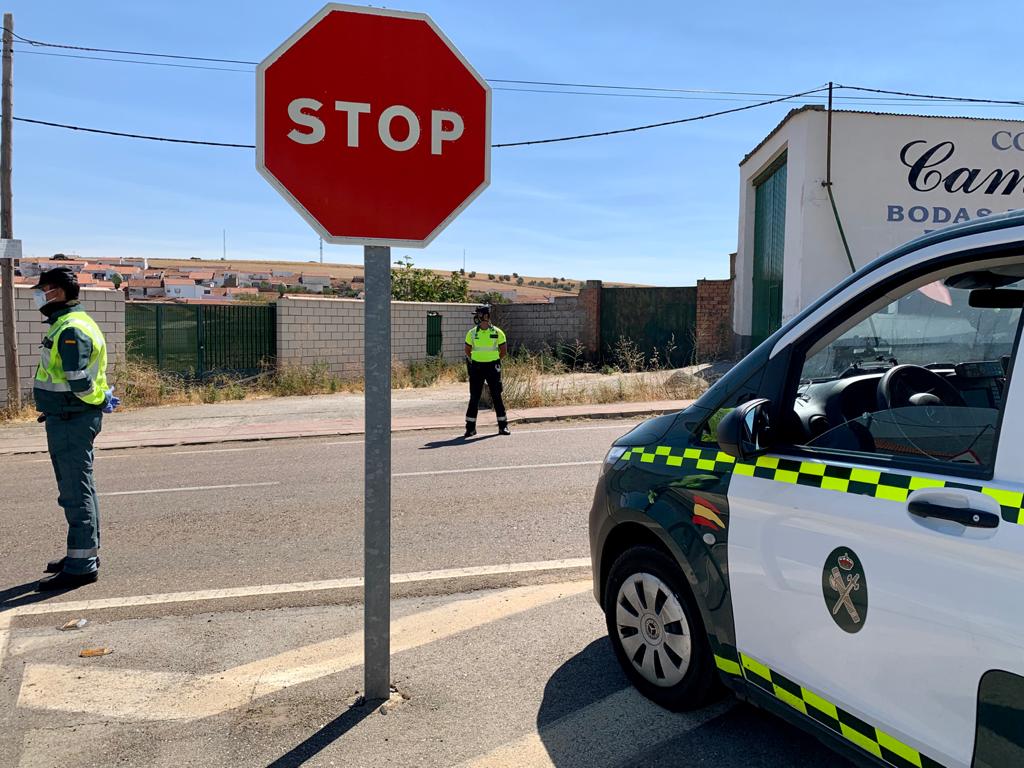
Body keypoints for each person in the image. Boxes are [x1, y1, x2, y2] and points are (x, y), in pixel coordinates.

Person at [30, 266, 119, 591]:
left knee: (75, 492)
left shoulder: (71, 328)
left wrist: (97, 399)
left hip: (72, 418)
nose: (39, 295)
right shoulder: (72, 322)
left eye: (43, 289)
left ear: (58, 292)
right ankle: (82, 554)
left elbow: (78, 380)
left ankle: (82, 565)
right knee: (81, 488)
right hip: (70, 417)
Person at [464, 306, 510, 437]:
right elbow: (467, 350)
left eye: (478, 315)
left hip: (492, 367)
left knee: (496, 395)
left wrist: (494, 360)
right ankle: (470, 428)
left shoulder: (497, 332)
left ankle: (503, 426)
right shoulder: (472, 333)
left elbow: (503, 351)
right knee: (474, 397)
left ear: (485, 316)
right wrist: (476, 360)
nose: (475, 318)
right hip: (477, 367)